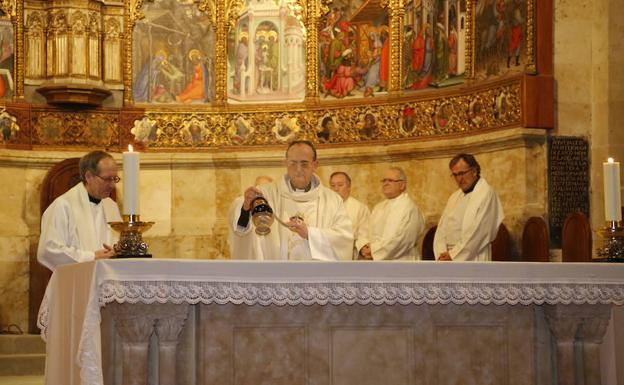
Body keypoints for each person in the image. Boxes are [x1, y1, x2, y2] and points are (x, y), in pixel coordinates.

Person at [230, 140, 353, 260]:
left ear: (315, 165)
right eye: (293, 163)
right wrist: (245, 207)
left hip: (316, 277)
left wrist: (309, 234)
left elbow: (344, 240)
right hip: (277, 276)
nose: (298, 169)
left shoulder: (332, 200)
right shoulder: (266, 194)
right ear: (286, 163)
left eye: (304, 164)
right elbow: (241, 229)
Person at [37, 151, 123, 271]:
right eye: (107, 179)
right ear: (89, 177)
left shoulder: (111, 206)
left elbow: (119, 243)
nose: (112, 185)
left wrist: (117, 252)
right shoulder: (63, 205)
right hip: (76, 281)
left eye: (115, 179)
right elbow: (48, 250)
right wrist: (91, 256)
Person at [433, 153, 504, 261]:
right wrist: (441, 253)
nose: (459, 179)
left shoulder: (486, 194)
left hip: (473, 257)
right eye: (455, 175)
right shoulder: (454, 197)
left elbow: (478, 233)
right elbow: (442, 229)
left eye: (462, 173)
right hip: (447, 258)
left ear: (474, 171)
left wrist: (453, 255)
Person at [356, 167, 425, 260]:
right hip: (376, 260)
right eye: (384, 180)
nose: (386, 183)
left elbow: (403, 240)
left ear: (402, 185)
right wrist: (364, 246)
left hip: (402, 261)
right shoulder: (378, 207)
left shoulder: (409, 208)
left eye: (390, 180)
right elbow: (366, 230)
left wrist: (374, 251)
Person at [228, 175, 273, 259]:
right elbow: (240, 227)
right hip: (247, 263)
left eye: (267, 190)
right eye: (259, 189)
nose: (262, 194)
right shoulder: (241, 202)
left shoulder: (274, 208)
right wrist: (246, 206)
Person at [329, 171, 370, 259]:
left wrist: (362, 247)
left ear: (349, 187)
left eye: (340, 185)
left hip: (349, 256)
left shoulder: (360, 208)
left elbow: (364, 235)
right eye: (332, 185)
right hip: (327, 254)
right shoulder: (323, 207)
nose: (335, 189)